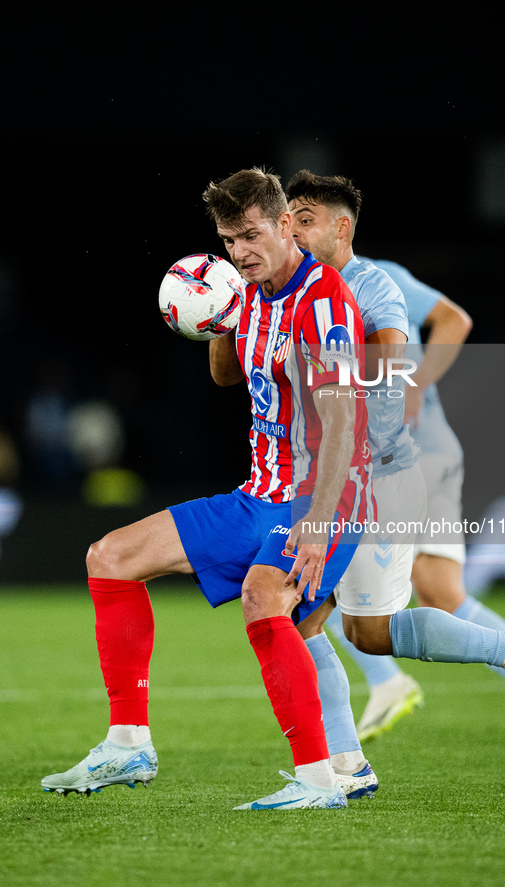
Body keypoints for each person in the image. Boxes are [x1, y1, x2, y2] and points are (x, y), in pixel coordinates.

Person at [41, 167, 376, 811]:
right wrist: (215, 318)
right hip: (258, 494)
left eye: (251, 236)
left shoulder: (325, 300)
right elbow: (228, 377)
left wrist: (320, 518)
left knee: (264, 597)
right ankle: (128, 742)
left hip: (323, 496)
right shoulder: (245, 290)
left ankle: (318, 781)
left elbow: (342, 420)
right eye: (229, 241)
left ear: (285, 225)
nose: (240, 252)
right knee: (109, 557)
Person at [288, 173, 505, 743]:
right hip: (397, 458)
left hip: (413, 455)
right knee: (435, 593)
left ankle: (371, 708)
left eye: (306, 220)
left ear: (340, 227)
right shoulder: (306, 292)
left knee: (321, 585)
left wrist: (417, 381)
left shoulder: (379, 281)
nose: (295, 234)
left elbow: (454, 319)